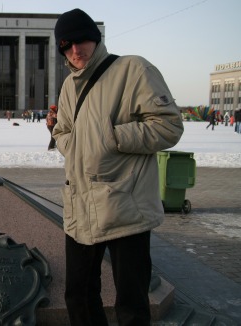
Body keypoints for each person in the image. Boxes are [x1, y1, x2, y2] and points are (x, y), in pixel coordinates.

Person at [52, 9, 184, 326]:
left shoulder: (132, 69)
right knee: (78, 295)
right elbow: (62, 132)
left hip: (125, 203)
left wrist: (112, 136)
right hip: (81, 204)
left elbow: (169, 126)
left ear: (95, 38)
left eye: (80, 40)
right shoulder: (70, 86)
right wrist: (78, 143)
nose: (75, 50)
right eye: (66, 46)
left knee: (131, 304)